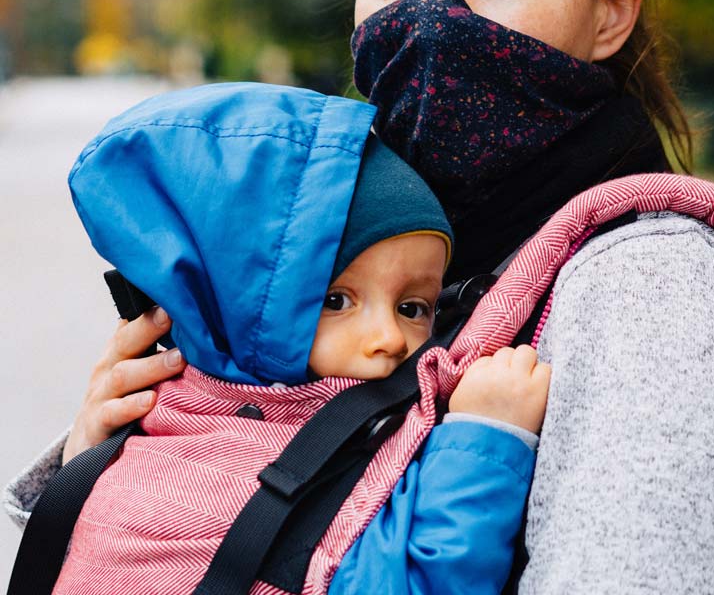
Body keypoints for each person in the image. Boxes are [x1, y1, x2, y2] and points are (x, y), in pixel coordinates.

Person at [7, 0, 714, 594]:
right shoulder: (342, 230)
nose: (435, 19)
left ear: (611, 6)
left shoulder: (656, 290)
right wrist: (113, 462)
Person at [32, 81, 550, 595]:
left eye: (412, 308)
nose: (390, 338)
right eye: (336, 301)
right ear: (238, 304)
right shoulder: (175, 464)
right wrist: (486, 440)